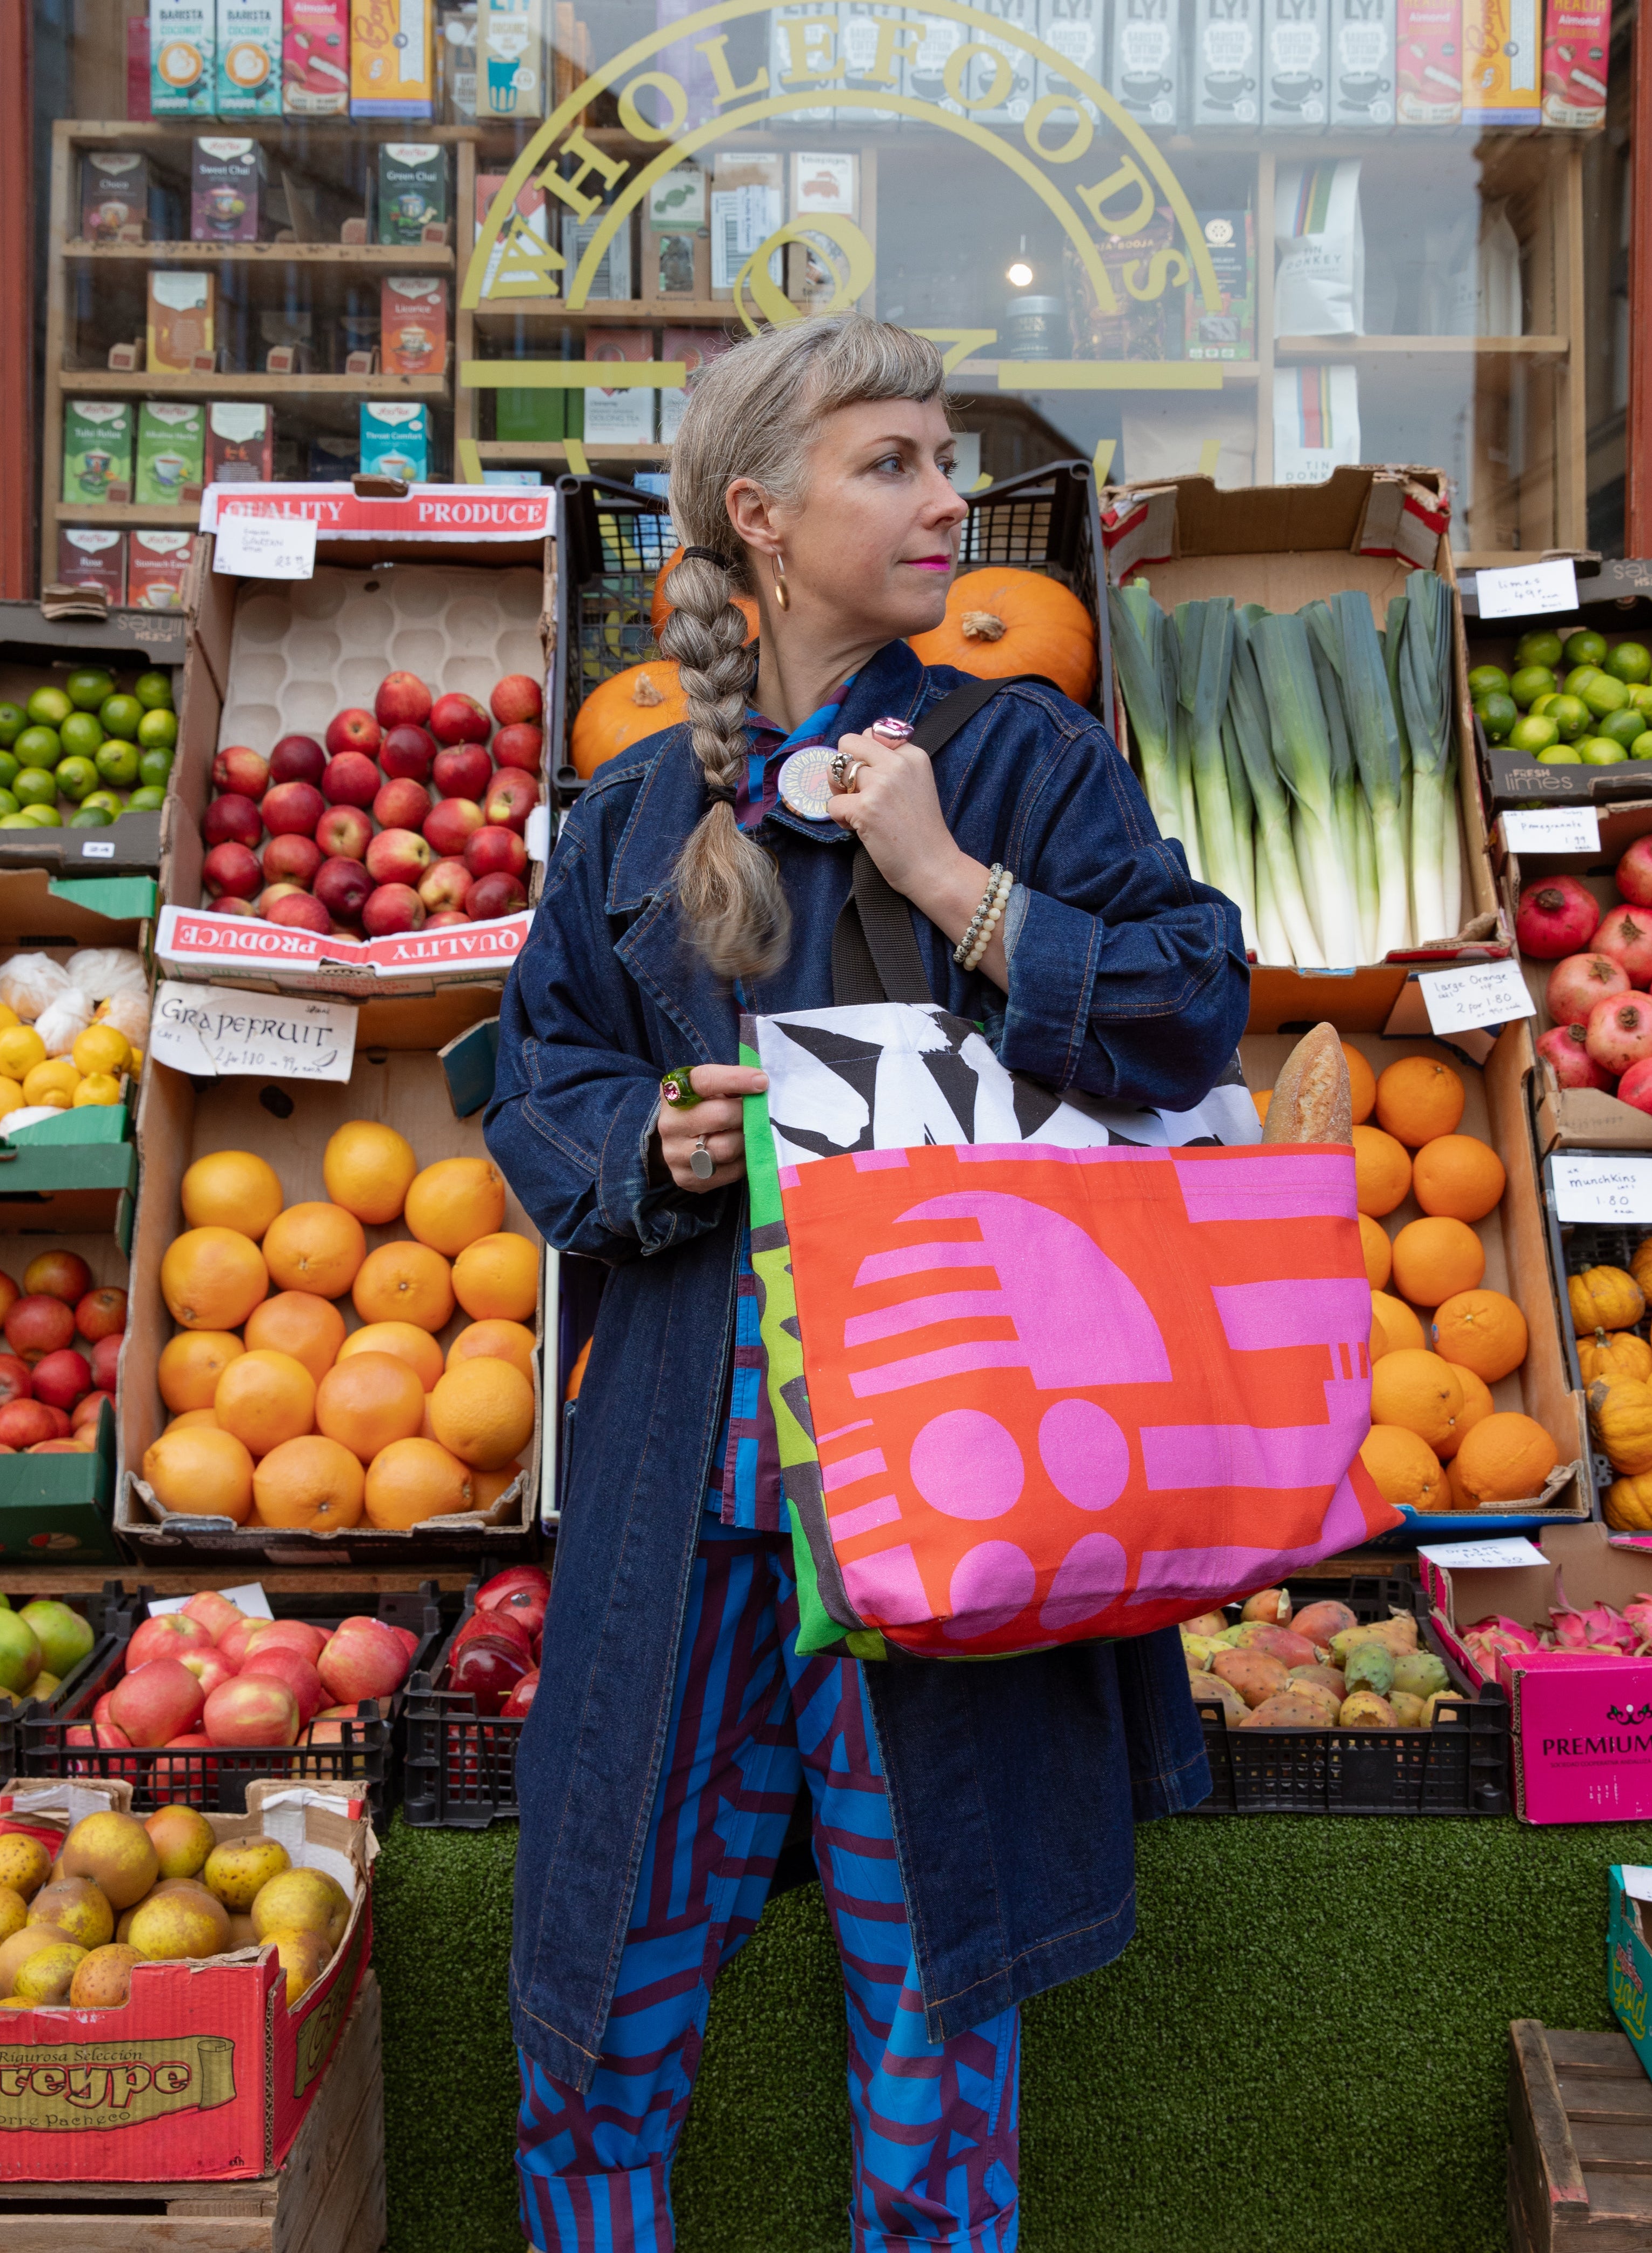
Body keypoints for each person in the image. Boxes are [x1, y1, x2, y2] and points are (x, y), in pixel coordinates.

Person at [488, 315, 1249, 2252]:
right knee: (597, 2021)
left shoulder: (1023, 757)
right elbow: (541, 1079)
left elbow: (1191, 1009)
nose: (948, 500)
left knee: (935, 2038)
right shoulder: (636, 812)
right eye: (893, 462)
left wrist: (954, 882)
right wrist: (645, 1144)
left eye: (950, 458)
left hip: (964, 1499)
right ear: (761, 514)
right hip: (694, 1495)